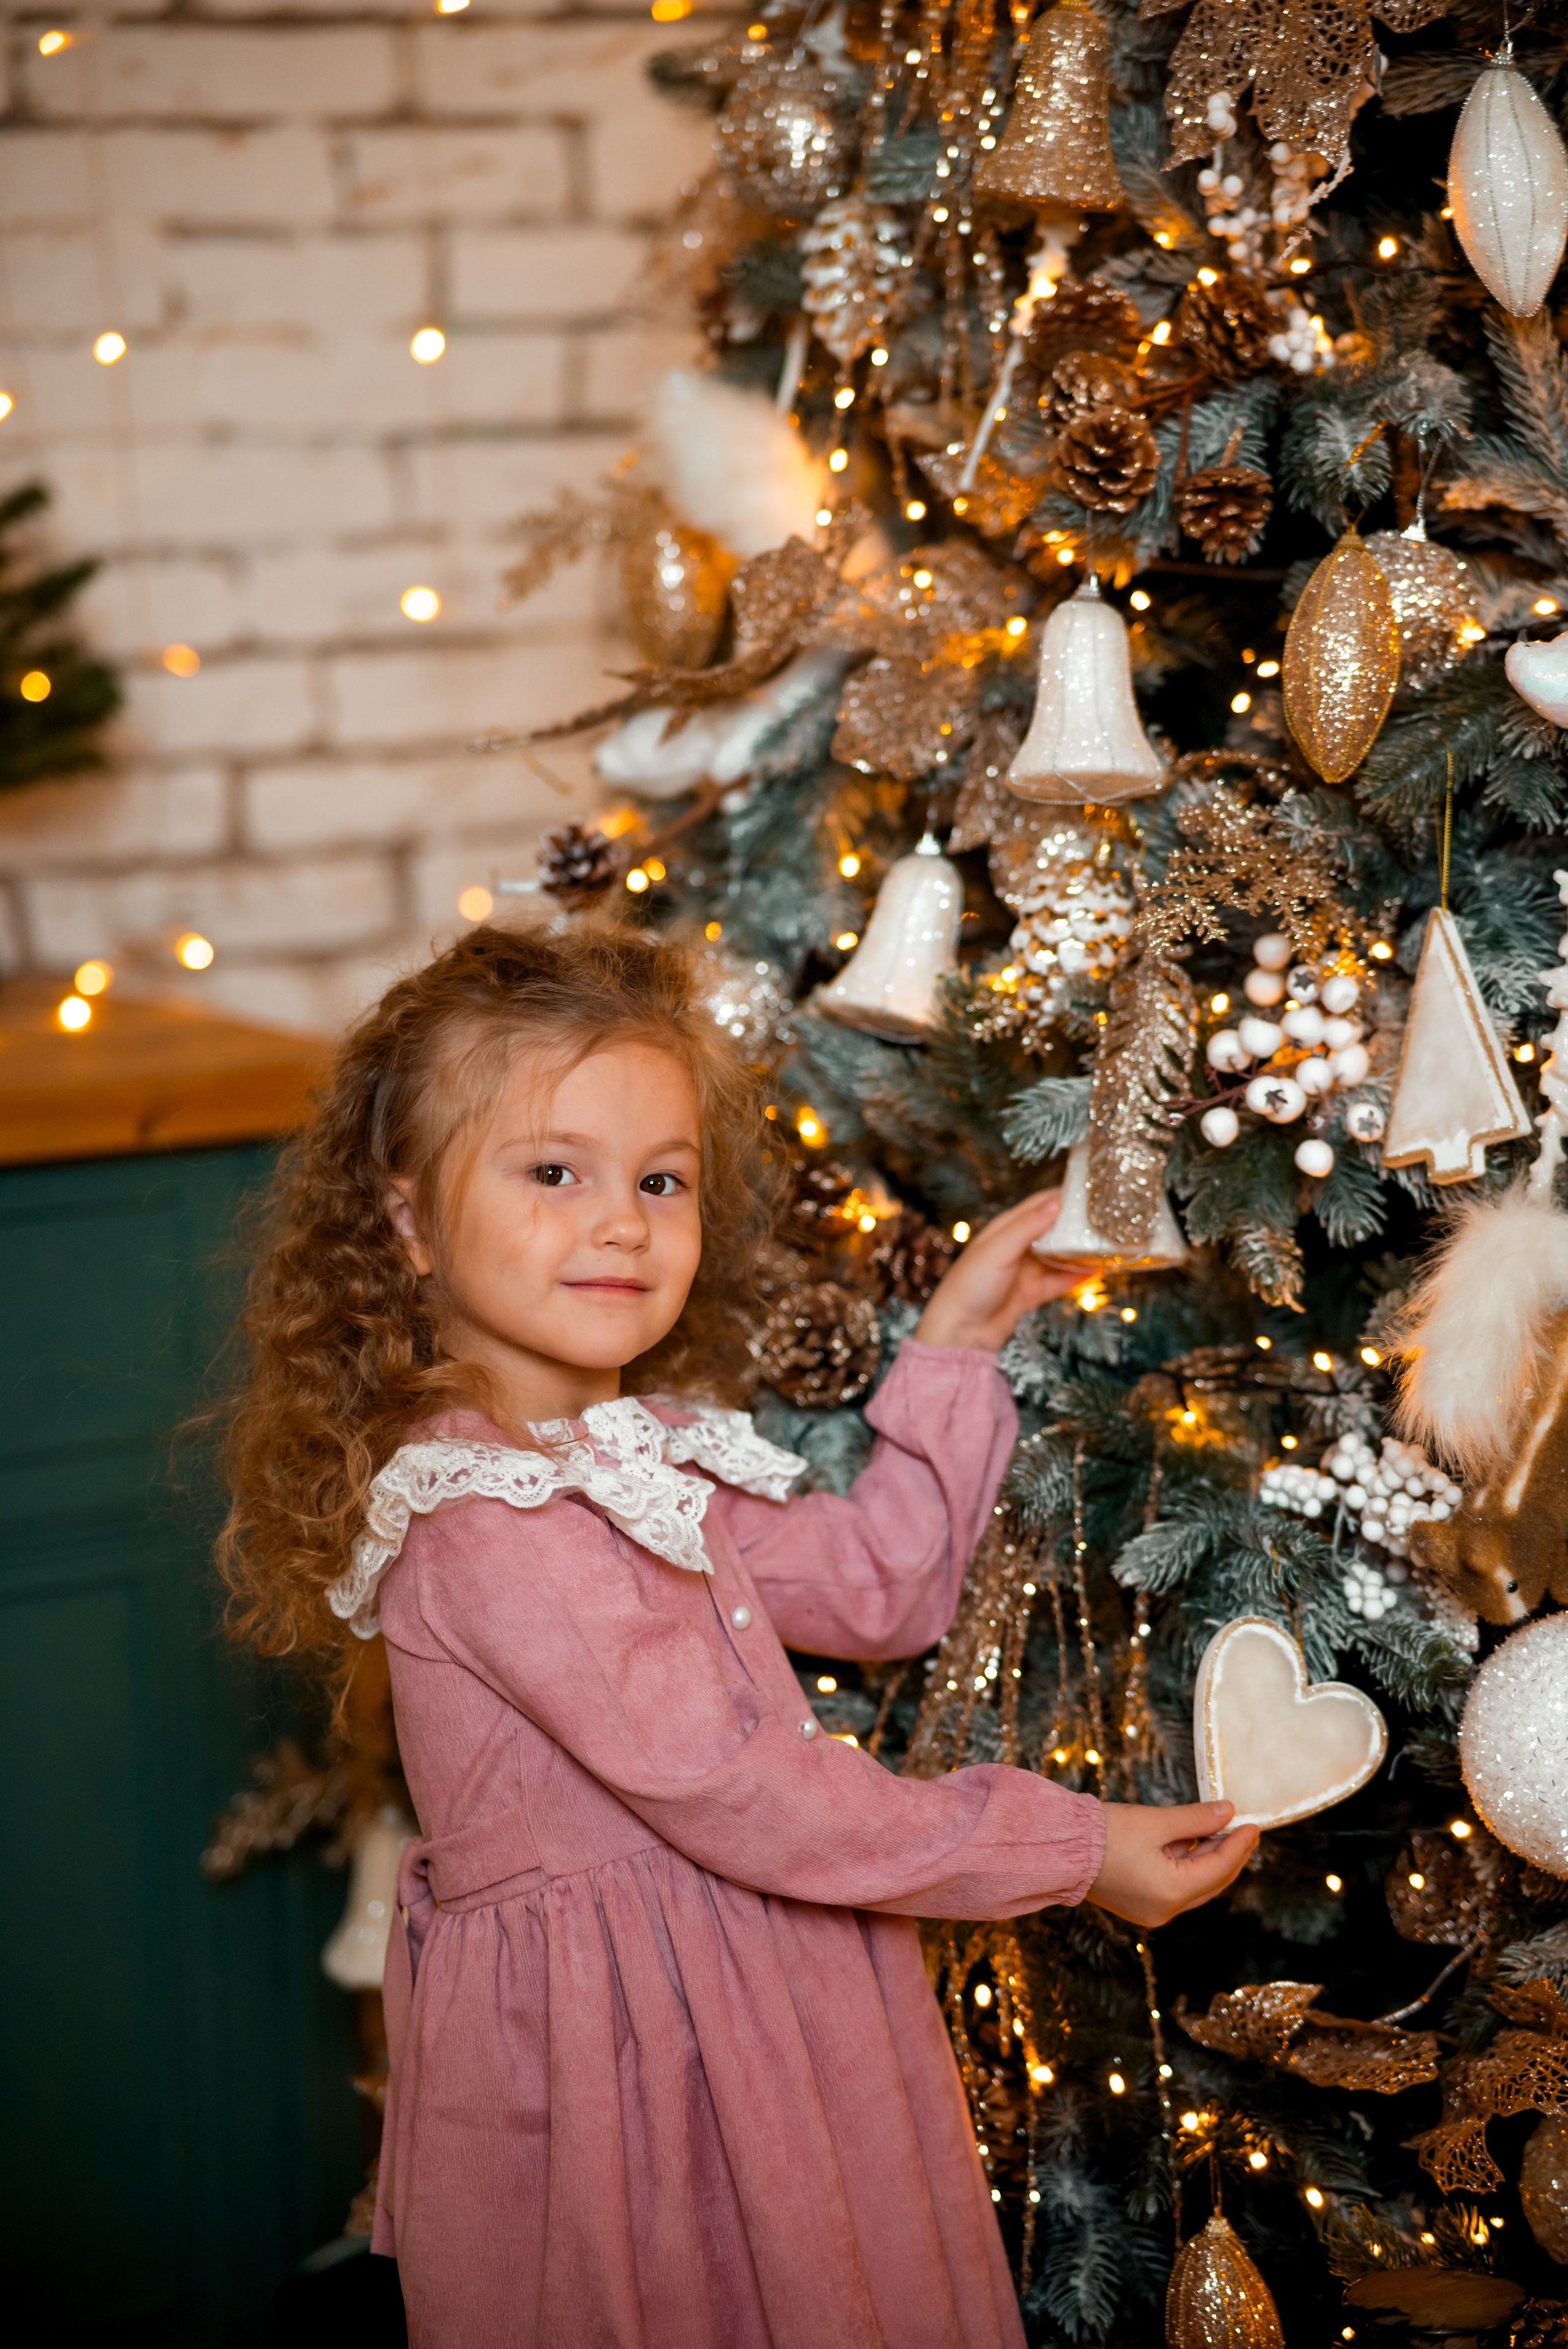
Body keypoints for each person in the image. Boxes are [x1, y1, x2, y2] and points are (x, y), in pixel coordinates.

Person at [220, 922, 1257, 2349]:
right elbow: (747, 1793)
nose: (622, 1222)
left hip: (763, 2007)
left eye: (660, 1179)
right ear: (406, 1224)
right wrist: (1071, 1848)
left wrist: (953, 1338)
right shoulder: (484, 1521)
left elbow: (882, 1587)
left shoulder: (642, 1458)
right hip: (632, 2070)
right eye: (554, 1172)